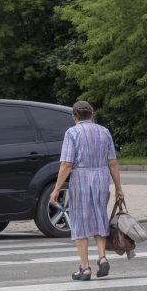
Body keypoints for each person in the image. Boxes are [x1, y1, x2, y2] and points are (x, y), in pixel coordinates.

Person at [49, 100, 124, 281]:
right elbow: (112, 163)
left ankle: (85, 268)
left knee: (81, 222)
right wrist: (119, 189)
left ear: (74, 116)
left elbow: (67, 164)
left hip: (81, 179)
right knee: (99, 215)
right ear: (92, 114)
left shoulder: (72, 133)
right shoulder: (104, 132)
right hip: (101, 178)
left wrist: (56, 188)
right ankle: (102, 256)